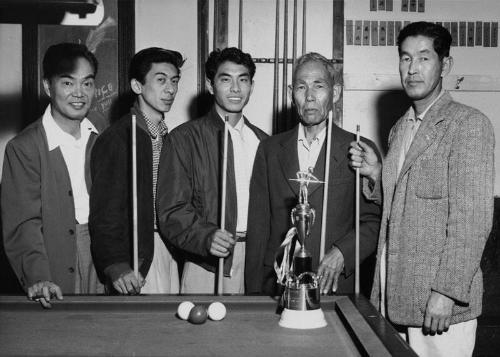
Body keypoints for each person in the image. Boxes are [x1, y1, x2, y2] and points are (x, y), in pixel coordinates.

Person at [349, 22, 494, 357]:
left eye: (424, 58)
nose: (412, 69)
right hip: (393, 296)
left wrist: (446, 292)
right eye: (405, 58)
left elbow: (472, 222)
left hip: (439, 305)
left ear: (445, 65)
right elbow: (405, 208)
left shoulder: (468, 125)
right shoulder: (401, 128)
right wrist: (376, 174)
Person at [245, 52, 381, 296]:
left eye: (319, 86)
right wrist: (255, 292)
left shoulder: (359, 149)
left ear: (335, 93)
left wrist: (342, 252)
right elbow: (259, 227)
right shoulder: (270, 150)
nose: (309, 96)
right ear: (291, 93)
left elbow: (373, 221)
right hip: (279, 284)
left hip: (333, 284)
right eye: (301, 87)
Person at [157, 47, 268, 294]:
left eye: (243, 79)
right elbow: (171, 211)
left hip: (256, 261)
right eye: (226, 79)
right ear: (210, 85)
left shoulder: (264, 142)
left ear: (251, 85)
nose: (236, 88)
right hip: (207, 264)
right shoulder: (183, 139)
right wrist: (206, 237)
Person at [1, 42, 104, 308]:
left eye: (87, 83)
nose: (79, 93)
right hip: (55, 257)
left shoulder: (104, 135)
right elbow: (23, 223)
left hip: (103, 256)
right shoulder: (23, 147)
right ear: (48, 87)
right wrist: (39, 276)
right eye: (68, 83)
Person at [89, 48, 184, 294]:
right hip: (137, 255)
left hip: (169, 248)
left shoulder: (169, 136)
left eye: (174, 81)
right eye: (161, 80)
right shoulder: (118, 138)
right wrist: (115, 264)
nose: (170, 89)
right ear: (137, 85)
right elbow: (104, 212)